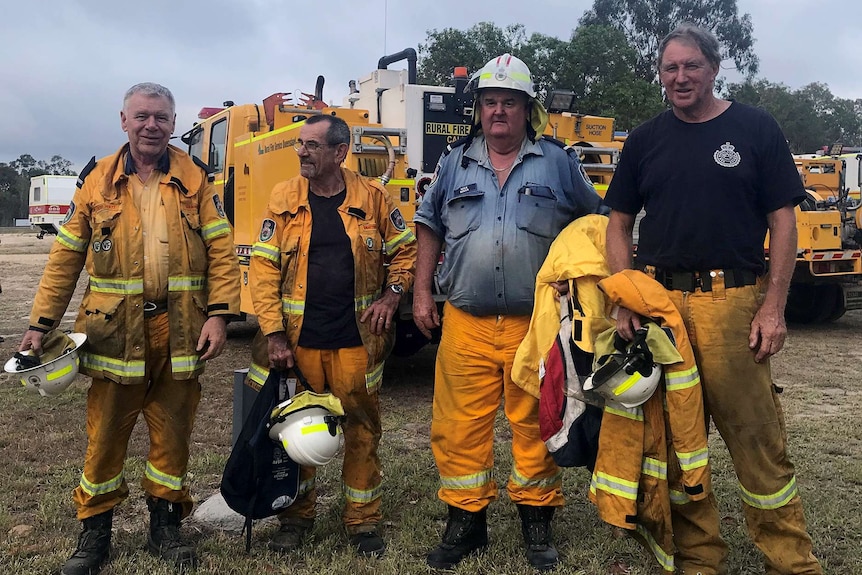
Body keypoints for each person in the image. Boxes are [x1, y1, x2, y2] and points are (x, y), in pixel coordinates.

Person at [604, 23, 822, 575]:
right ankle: (700, 559)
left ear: (713, 68)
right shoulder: (645, 140)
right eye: (670, 69)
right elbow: (617, 224)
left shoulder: (754, 128)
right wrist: (626, 296)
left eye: (690, 66)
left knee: (757, 440)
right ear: (660, 75)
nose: (680, 77)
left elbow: (783, 221)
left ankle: (791, 561)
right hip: (662, 311)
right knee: (680, 445)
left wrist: (774, 307)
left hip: (733, 303)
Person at [18, 83, 241, 575]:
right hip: (113, 335)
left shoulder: (196, 179)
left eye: (161, 117)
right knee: (105, 438)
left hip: (181, 331)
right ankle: (94, 536)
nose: (151, 126)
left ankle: (165, 528)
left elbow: (223, 252)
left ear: (173, 122)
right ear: (124, 120)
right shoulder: (95, 181)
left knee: (173, 434)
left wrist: (221, 315)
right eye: (141, 116)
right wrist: (40, 325)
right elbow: (64, 260)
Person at [412, 53, 604, 571]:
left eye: (510, 103)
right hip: (465, 323)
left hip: (535, 323)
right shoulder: (455, 162)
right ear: (478, 109)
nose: (499, 111)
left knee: (536, 423)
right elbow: (427, 224)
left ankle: (536, 520)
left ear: (528, 110)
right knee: (457, 426)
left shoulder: (558, 163)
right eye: (490, 102)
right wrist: (421, 293)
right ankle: (465, 522)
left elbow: (598, 220)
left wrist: (584, 283)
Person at [248, 114, 416, 557]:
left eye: (311, 146)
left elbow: (406, 251)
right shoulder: (283, 197)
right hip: (300, 344)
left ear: (340, 153)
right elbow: (263, 271)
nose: (301, 152)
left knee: (361, 430)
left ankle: (362, 522)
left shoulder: (374, 197)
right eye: (299, 144)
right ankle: (296, 519)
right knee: (298, 431)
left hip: (357, 344)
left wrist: (391, 296)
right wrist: (273, 333)